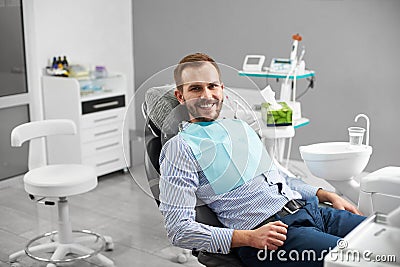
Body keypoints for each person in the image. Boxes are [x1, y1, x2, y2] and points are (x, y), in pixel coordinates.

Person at [158, 52, 365, 267]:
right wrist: (249, 238)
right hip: (271, 237)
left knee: (387, 237)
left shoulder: (240, 129)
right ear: (181, 97)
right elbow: (178, 229)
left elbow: (277, 176)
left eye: (212, 86)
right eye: (195, 88)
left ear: (222, 90)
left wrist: (326, 194)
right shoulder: (180, 148)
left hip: (312, 212)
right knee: (360, 261)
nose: (207, 95)